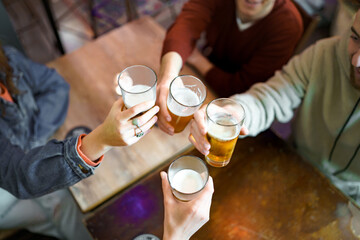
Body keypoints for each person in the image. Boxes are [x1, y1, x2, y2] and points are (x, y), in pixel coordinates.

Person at [0, 44, 214, 239]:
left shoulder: (6, 57)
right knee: (60, 205)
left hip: (24, 161)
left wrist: (34, 141)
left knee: (57, 195)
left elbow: (57, 87)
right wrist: (101, 138)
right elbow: (21, 176)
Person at [189, 5, 360, 205]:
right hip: (291, 161)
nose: (356, 61)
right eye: (356, 38)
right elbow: (271, 96)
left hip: (351, 201)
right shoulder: (325, 53)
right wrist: (235, 111)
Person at [157, 0, 304, 135]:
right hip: (210, 77)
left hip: (242, 106)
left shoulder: (288, 24)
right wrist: (169, 76)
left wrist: (198, 60)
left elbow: (241, 86)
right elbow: (186, 25)